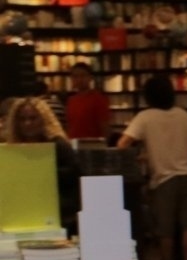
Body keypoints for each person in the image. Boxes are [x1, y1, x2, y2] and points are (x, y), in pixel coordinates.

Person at [118, 74, 187, 260]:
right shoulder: (184, 115)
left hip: (164, 178)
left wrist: (141, 157)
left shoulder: (145, 117)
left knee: (164, 227)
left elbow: (122, 144)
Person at [4, 96, 80, 233]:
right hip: (21, 214)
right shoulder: (11, 150)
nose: (27, 123)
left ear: (44, 120)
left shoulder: (59, 145)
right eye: (22, 119)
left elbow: (73, 181)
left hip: (59, 216)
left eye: (33, 118)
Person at [64, 62, 109, 142]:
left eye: (83, 75)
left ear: (90, 78)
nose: (79, 79)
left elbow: (104, 126)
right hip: (73, 144)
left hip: (92, 145)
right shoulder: (71, 100)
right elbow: (69, 126)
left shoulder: (98, 99)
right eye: (75, 76)